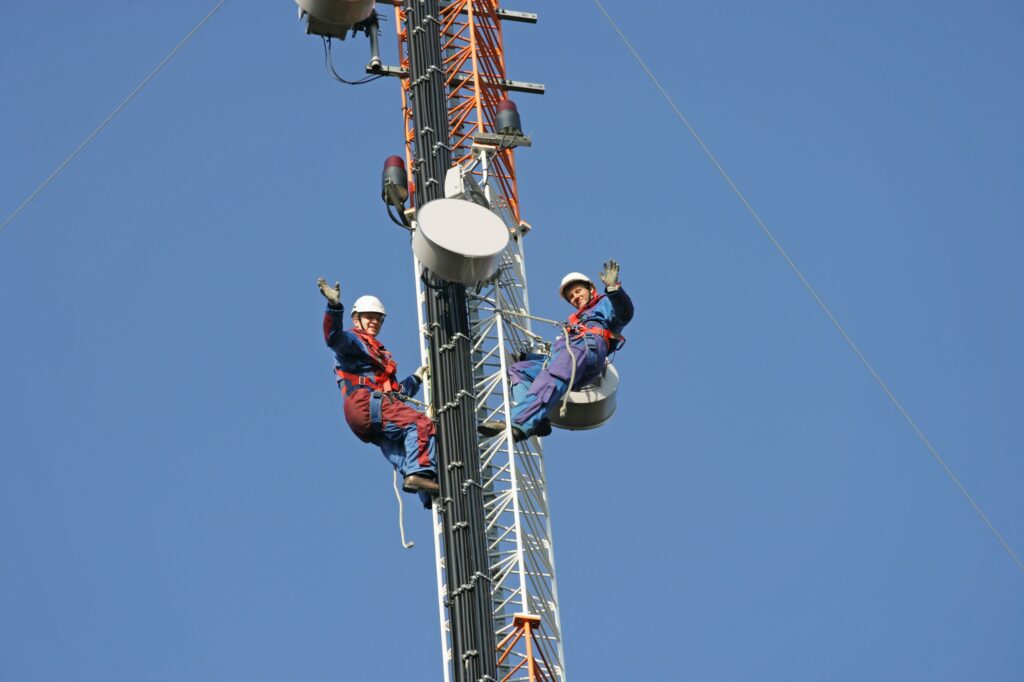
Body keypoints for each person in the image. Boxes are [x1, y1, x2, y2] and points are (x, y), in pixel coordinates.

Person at [478, 259, 634, 442]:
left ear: (591, 290)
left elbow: (625, 313)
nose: (575, 297)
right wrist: (528, 357)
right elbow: (558, 357)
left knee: (552, 377)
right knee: (520, 371)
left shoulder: (604, 304)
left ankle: (519, 424)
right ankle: (538, 420)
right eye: (571, 296)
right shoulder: (578, 321)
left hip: (586, 348)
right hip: (572, 352)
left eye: (578, 291)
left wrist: (614, 289)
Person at [317, 277, 439, 498]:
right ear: (357, 320)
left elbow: (395, 395)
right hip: (365, 403)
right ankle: (419, 473)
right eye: (369, 318)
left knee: (402, 448)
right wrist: (334, 308)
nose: (374, 322)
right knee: (420, 423)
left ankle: (428, 493)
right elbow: (333, 338)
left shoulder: (376, 355)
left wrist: (417, 378)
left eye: (378, 319)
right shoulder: (354, 341)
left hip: (366, 412)